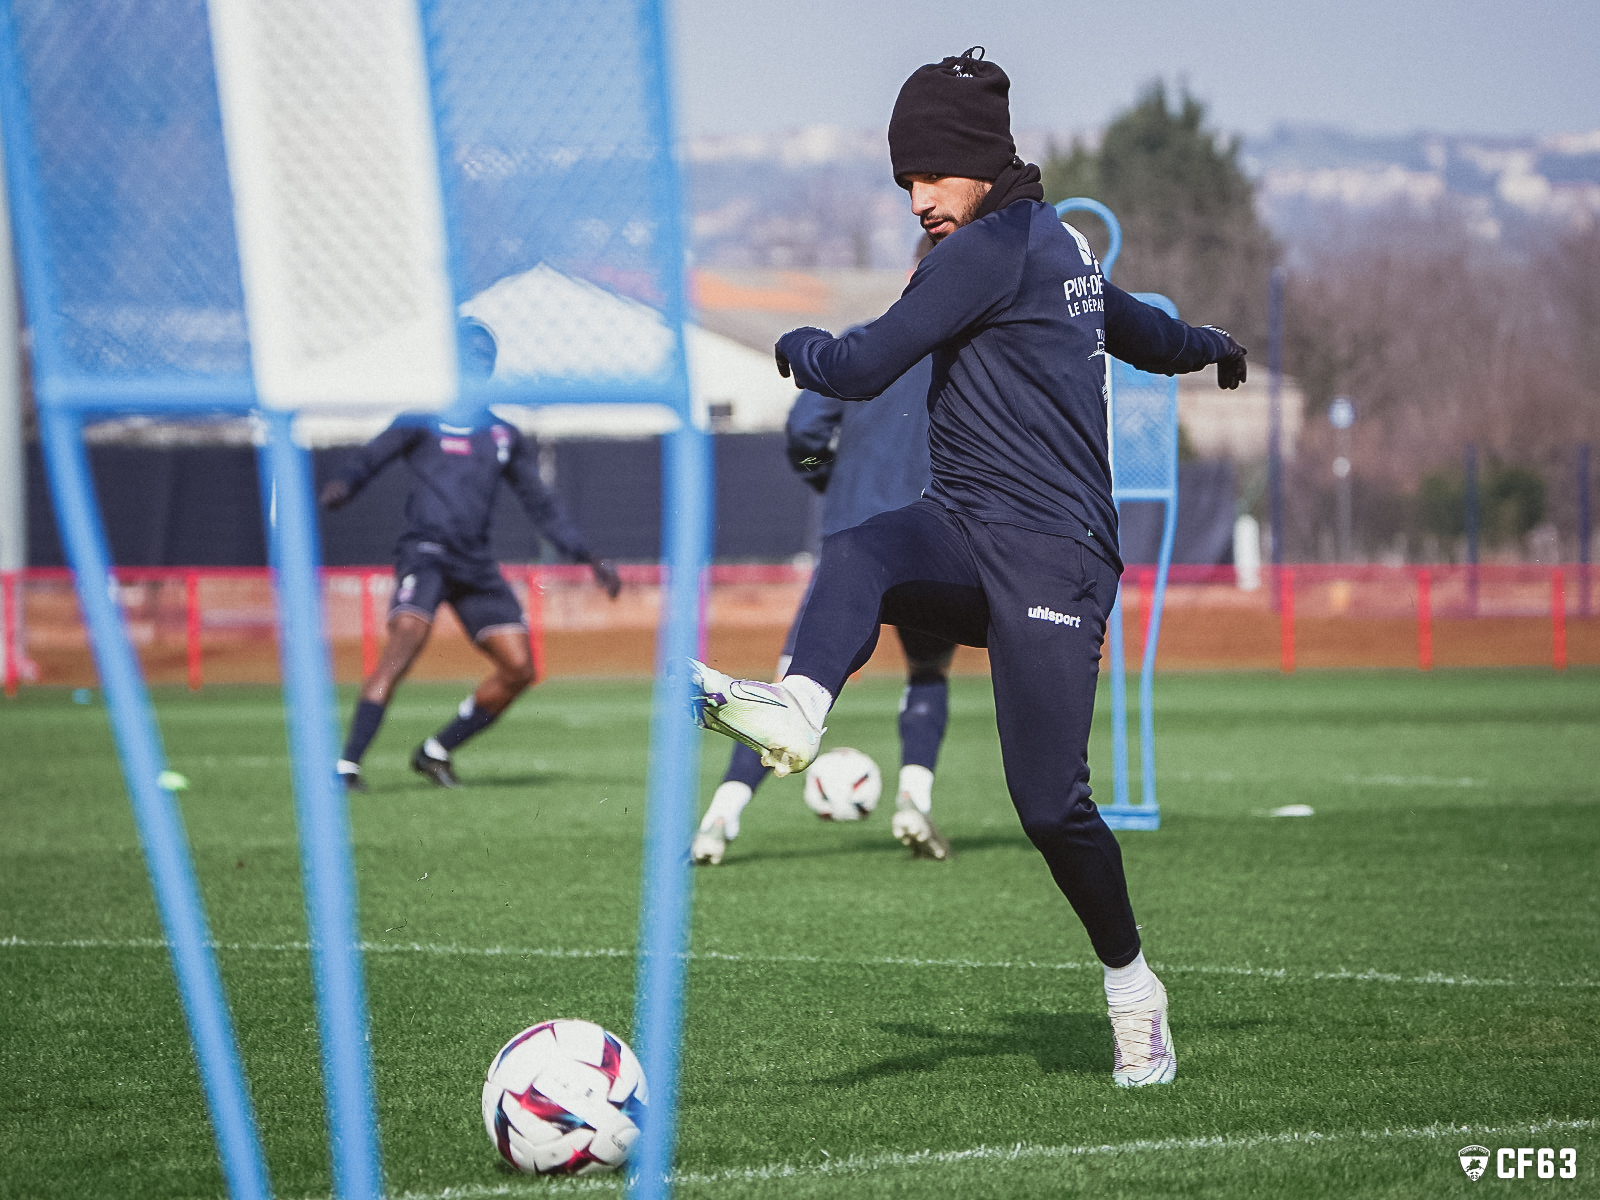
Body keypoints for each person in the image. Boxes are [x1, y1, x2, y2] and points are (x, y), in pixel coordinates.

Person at [686, 48, 1247, 1088]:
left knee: (1048, 807)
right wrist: (1209, 343)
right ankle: (801, 706)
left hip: (1054, 559)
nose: (915, 199)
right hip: (963, 529)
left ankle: (1134, 991)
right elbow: (1141, 331)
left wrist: (792, 344)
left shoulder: (994, 251)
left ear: (981, 163)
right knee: (860, 547)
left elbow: (859, 365)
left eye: (930, 175)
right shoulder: (1050, 242)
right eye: (904, 180)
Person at [322, 318, 621, 791]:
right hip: (425, 553)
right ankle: (347, 768)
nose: (476, 369)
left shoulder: (503, 435)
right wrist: (346, 485)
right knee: (401, 650)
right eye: (469, 359)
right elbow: (370, 458)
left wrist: (589, 555)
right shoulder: (420, 421)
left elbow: (540, 504)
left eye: (485, 361)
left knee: (520, 668)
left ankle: (434, 752)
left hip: (474, 564)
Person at [691, 349, 960, 866]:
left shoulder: (864, 344)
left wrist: (825, 474)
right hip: (932, 537)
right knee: (927, 672)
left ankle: (718, 822)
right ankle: (913, 802)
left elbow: (805, 433)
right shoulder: (966, 354)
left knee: (786, 693)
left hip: (854, 546)